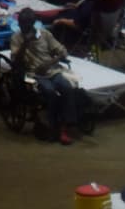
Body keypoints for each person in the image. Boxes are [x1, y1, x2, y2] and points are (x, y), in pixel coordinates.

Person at [10, 8, 78, 145]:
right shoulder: (16, 38)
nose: (23, 27)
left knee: (67, 87)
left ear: (33, 23)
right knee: (50, 92)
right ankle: (52, 125)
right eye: (21, 24)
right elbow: (15, 60)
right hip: (33, 74)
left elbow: (62, 51)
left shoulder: (45, 35)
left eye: (26, 24)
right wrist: (25, 44)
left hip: (52, 70)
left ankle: (66, 124)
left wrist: (51, 62)